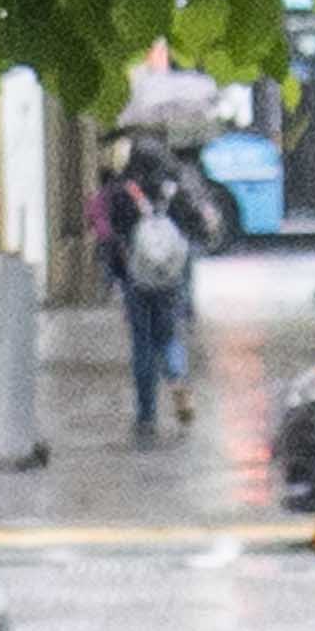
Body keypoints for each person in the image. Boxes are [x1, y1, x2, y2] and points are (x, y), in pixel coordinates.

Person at [102, 135, 206, 442]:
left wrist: (117, 277)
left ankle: (146, 415)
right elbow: (192, 227)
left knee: (142, 345)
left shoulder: (124, 192)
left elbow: (114, 237)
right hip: (170, 279)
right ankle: (177, 378)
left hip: (138, 279)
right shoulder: (173, 190)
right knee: (170, 335)